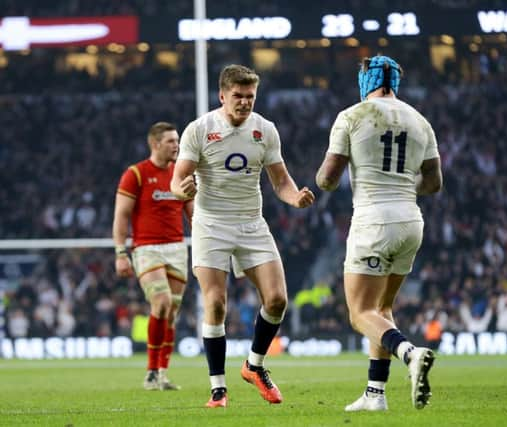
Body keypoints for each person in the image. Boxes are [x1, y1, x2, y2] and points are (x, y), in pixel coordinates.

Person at [170, 64, 315, 408]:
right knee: (216, 303)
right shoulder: (200, 129)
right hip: (211, 224)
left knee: (277, 299)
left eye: (250, 96)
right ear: (222, 95)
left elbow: (280, 180)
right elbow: (178, 179)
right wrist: (180, 191)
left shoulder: (265, 130)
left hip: (251, 223)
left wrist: (295, 197)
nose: (245, 102)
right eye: (238, 96)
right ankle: (218, 390)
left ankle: (254, 365)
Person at [315, 55, 443, 411]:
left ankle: (409, 352)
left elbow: (326, 180)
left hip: (374, 221)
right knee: (383, 307)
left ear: (366, 81)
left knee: (359, 313)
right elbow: (433, 183)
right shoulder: (420, 120)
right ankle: (376, 394)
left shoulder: (352, 116)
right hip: (411, 221)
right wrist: (400, 184)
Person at [113, 122, 194, 391]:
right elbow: (122, 216)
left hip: (177, 248)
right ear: (155, 144)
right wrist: (120, 252)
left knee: (171, 313)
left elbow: (193, 215)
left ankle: (162, 373)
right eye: (171, 141)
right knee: (160, 302)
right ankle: (150, 371)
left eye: (178, 140)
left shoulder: (181, 174)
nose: (177, 145)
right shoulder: (135, 174)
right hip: (147, 249)